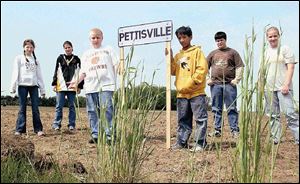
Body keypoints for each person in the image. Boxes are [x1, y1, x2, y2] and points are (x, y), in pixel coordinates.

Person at [69, 28, 119, 144]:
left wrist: (120, 69)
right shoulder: (86, 54)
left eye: (98, 37)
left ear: (102, 38)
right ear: (90, 39)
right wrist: (75, 82)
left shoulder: (108, 50)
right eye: (93, 38)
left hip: (106, 85)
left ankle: (109, 135)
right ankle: (95, 134)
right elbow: (83, 71)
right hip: (91, 86)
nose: (95, 40)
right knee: (92, 111)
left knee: (107, 110)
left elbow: (117, 63)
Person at [166, 26, 208, 151]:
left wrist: (193, 81)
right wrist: (170, 57)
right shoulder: (178, 56)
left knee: (200, 119)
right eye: (179, 38)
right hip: (182, 93)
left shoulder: (197, 52)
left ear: (190, 37)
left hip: (196, 92)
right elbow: (173, 71)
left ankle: (200, 143)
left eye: (184, 37)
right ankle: (182, 142)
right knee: (183, 120)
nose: (182, 40)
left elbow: (202, 69)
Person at [263, 26, 299, 145]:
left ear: (279, 36)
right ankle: (276, 138)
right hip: (269, 88)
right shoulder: (266, 52)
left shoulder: (285, 49)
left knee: (290, 113)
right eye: (270, 36)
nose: (272, 38)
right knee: (273, 115)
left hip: (283, 87)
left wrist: (286, 84)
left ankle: (298, 137)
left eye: (275, 36)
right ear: (267, 38)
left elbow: (291, 66)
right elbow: (263, 70)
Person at [206, 31, 244, 138]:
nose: (219, 42)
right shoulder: (212, 54)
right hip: (215, 85)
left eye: (221, 40)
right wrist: (208, 79)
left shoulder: (233, 52)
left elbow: (240, 67)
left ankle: (234, 130)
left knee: (231, 108)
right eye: (217, 41)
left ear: (225, 40)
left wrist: (236, 79)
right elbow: (204, 67)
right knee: (216, 108)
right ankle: (217, 130)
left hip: (229, 85)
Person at [10, 39, 46, 136]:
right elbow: (15, 72)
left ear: (34, 48)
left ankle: (38, 129)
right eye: (27, 47)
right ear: (24, 48)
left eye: (31, 47)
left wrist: (42, 89)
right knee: (22, 108)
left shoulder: (36, 61)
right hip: (22, 86)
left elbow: (39, 76)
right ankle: (20, 129)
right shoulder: (19, 58)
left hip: (34, 86)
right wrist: (13, 86)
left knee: (35, 108)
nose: (29, 49)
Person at [51, 41, 84, 131]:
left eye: (69, 47)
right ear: (64, 49)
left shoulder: (77, 59)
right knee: (59, 106)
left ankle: (71, 124)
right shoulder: (60, 58)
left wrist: (79, 86)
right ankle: (57, 124)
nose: (67, 49)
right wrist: (54, 83)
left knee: (72, 106)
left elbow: (80, 72)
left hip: (72, 85)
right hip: (61, 85)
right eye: (65, 48)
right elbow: (56, 70)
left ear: (72, 48)